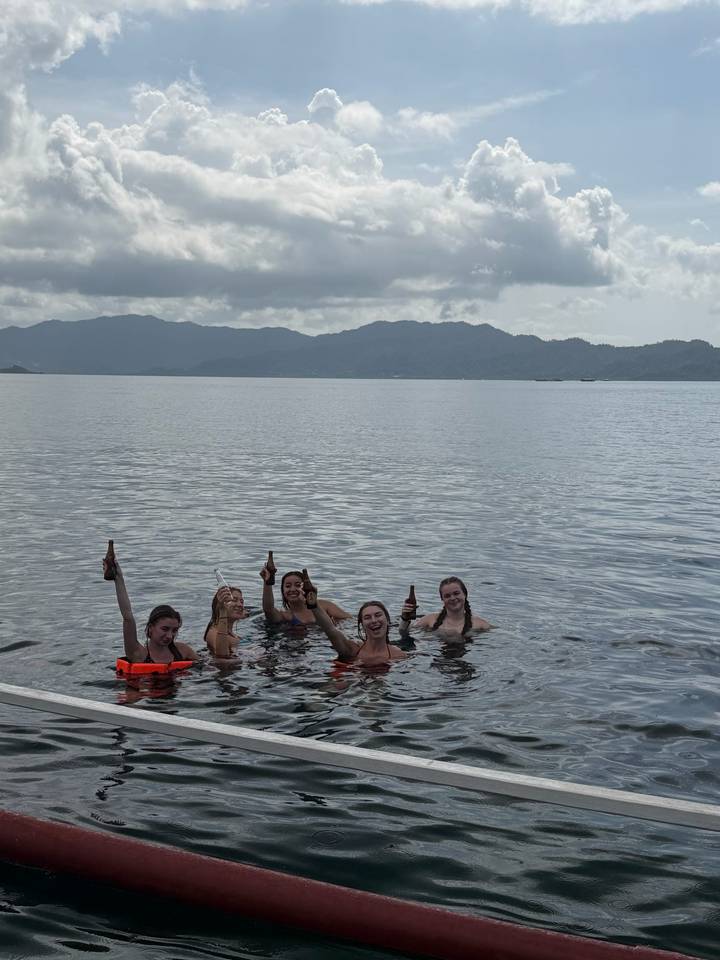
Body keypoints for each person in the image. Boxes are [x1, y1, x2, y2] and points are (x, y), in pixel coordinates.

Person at [104, 550, 198, 664]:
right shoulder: (138, 653)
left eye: (174, 630)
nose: (170, 636)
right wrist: (119, 578)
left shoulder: (183, 651)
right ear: (150, 627)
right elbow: (127, 617)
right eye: (165, 629)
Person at [302, 576, 406, 665]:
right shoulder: (352, 649)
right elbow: (330, 629)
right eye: (367, 617)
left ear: (387, 620)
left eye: (378, 615)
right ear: (362, 625)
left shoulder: (398, 655)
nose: (374, 620)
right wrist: (314, 606)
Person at [398, 576, 492, 641]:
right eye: (447, 596)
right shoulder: (429, 620)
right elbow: (403, 632)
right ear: (442, 599)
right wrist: (405, 619)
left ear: (465, 594)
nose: (452, 598)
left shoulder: (481, 625)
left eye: (456, 593)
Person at [260, 562, 350, 626]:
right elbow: (268, 609)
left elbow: (349, 621)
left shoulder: (324, 606)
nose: (292, 589)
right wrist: (267, 583)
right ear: (283, 592)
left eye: (298, 585)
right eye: (287, 586)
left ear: (305, 586)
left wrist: (336, 624)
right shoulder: (285, 616)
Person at [204, 585, 246, 657]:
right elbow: (222, 655)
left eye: (241, 602)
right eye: (234, 600)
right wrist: (223, 611)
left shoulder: (232, 634)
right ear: (220, 605)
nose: (240, 605)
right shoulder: (213, 632)